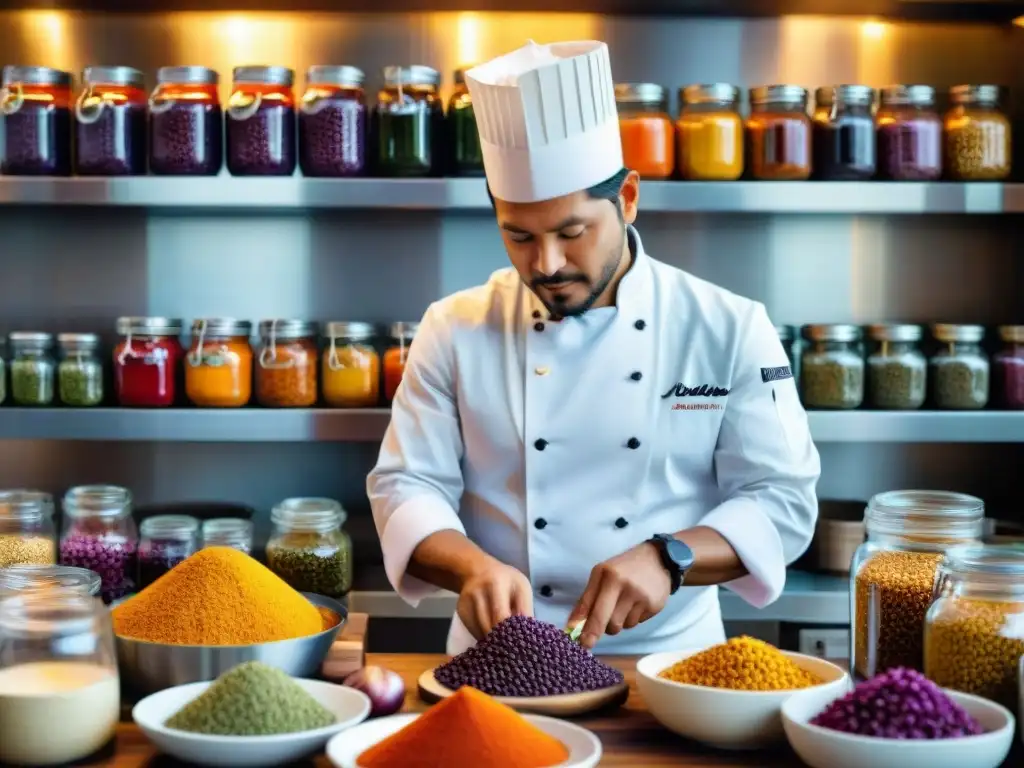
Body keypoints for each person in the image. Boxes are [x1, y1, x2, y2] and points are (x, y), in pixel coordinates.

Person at [367, 40, 820, 655]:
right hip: (494, 660)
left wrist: (671, 556)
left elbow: (782, 501)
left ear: (628, 198)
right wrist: (470, 567)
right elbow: (405, 486)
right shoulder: (452, 327)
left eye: (572, 232)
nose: (546, 263)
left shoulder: (728, 326)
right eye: (518, 236)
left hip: (669, 662)